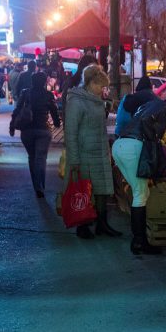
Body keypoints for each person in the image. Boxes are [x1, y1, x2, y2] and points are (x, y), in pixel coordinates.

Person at [114, 97, 166, 254]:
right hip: (132, 147)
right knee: (140, 194)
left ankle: (139, 239)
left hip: (120, 145)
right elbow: (147, 123)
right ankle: (139, 242)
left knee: (140, 192)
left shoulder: (147, 105)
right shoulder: (162, 107)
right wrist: (153, 138)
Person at [63, 64, 120, 239]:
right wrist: (73, 159)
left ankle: (102, 224)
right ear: (89, 83)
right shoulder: (76, 101)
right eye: (100, 86)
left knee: (102, 190)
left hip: (100, 151)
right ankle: (83, 225)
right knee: (84, 191)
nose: (102, 89)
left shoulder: (98, 101)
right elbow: (70, 132)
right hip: (84, 154)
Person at [10, 72, 60, 198]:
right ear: (44, 82)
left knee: (32, 157)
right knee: (41, 159)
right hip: (43, 130)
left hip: (27, 131)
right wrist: (57, 122)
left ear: (32, 81)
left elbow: (17, 109)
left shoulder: (25, 93)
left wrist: (12, 125)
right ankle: (41, 187)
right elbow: (54, 111)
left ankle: (36, 186)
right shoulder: (48, 95)